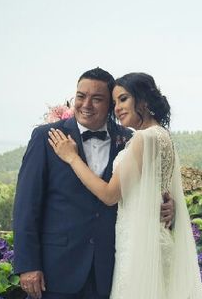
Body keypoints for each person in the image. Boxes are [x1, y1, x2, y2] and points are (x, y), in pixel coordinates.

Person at [13, 68, 175, 299]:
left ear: (111, 106)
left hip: (109, 268)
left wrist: (168, 205)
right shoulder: (47, 137)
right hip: (56, 269)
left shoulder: (129, 140)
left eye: (97, 99)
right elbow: (26, 206)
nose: (86, 104)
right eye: (80, 96)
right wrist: (28, 264)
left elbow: (145, 187)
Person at [48, 72, 202, 299]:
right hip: (156, 238)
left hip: (139, 244)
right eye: (114, 102)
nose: (117, 108)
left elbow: (110, 195)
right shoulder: (163, 136)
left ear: (142, 100)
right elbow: (158, 187)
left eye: (123, 99)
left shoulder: (142, 139)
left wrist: (72, 157)